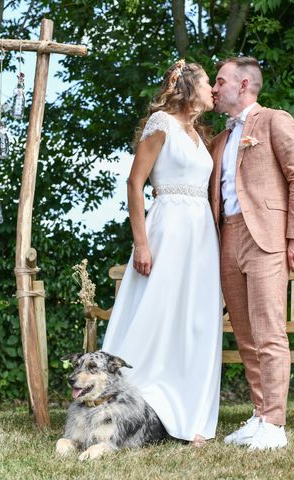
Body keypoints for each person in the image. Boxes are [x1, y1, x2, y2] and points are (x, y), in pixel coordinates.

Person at [101, 60, 222, 447]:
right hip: (167, 229)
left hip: (201, 234)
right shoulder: (161, 124)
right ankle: (121, 404)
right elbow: (135, 184)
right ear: (189, 88)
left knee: (195, 321)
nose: (213, 91)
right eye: (208, 85)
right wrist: (141, 242)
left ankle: (189, 414)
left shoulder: (197, 134)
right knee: (156, 313)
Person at [209, 57, 294, 450]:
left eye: (220, 81)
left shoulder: (274, 120)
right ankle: (259, 415)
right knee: (245, 334)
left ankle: (275, 423)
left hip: (267, 237)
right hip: (227, 239)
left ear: (245, 84)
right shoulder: (220, 139)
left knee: (269, 331)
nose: (215, 88)